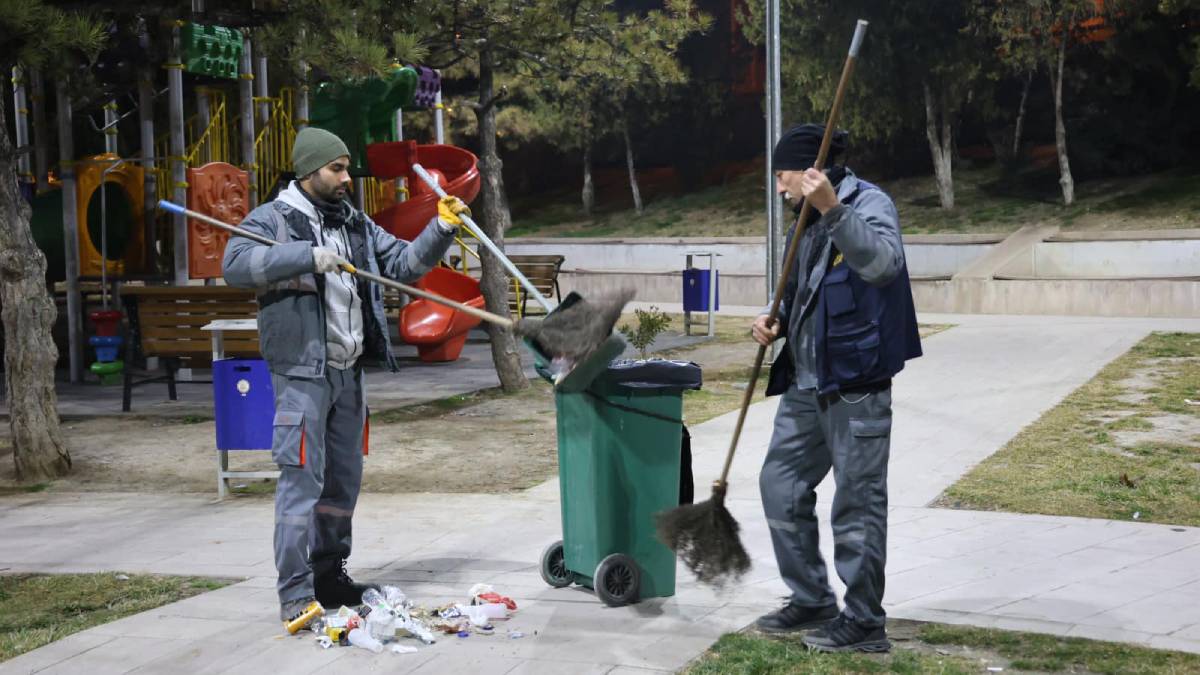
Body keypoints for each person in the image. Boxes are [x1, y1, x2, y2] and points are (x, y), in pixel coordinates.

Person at [223, 127, 472, 625]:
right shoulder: (272, 219)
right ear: (308, 169)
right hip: (302, 375)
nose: (345, 179)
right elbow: (234, 267)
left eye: (346, 169)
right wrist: (302, 255)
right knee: (301, 484)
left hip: (348, 373)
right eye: (335, 169)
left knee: (343, 484)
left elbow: (401, 264)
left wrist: (440, 228)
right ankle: (294, 593)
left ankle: (329, 575)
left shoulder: (352, 223)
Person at [752, 123, 922, 653]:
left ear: (808, 174)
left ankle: (865, 620)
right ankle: (811, 598)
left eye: (783, 178)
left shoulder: (867, 204)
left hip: (855, 384)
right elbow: (805, 294)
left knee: (857, 503)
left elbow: (882, 265)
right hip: (806, 382)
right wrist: (772, 319)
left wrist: (832, 209)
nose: (779, 190)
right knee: (779, 484)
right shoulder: (799, 222)